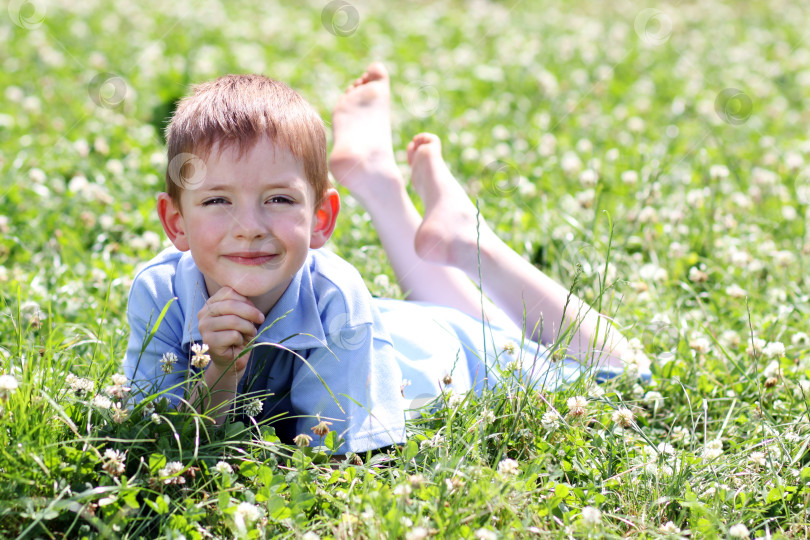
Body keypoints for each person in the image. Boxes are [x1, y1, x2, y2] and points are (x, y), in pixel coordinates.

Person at [125, 64, 646, 456]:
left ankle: (470, 239)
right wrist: (219, 372)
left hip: (438, 355)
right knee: (469, 317)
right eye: (217, 201)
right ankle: (380, 181)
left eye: (279, 199)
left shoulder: (336, 294)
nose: (250, 226)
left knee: (618, 369)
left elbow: (339, 458)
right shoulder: (158, 291)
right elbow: (163, 443)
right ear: (176, 224)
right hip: (383, 324)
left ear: (322, 218)